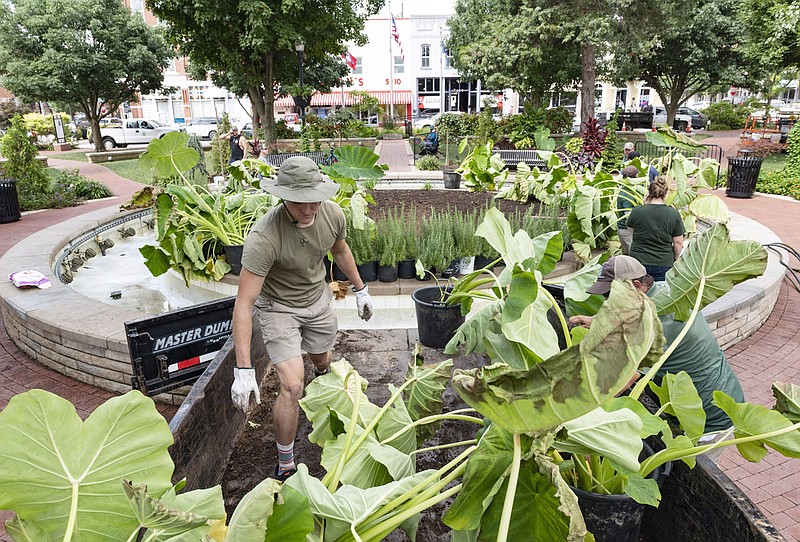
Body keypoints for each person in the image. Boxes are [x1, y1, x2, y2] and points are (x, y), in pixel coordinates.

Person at [230, 156, 374, 481]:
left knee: (322, 359)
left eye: (312, 201)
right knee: (292, 385)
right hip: (279, 308)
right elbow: (244, 302)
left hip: (317, 299)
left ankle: (323, 381)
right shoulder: (264, 238)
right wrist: (242, 370)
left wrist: (361, 290)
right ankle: (285, 463)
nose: (307, 209)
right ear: (283, 197)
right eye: (298, 202)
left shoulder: (333, 214)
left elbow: (339, 251)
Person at [570, 255, 745, 461]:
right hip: (713, 392)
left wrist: (582, 414)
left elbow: (625, 379)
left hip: (711, 416)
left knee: (690, 472)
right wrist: (594, 320)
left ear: (637, 285)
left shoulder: (654, 323)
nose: (607, 301)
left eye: (610, 294)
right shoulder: (663, 292)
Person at [626, 176, 684, 281]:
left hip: (638, 261)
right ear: (665, 194)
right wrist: (676, 259)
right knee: (659, 293)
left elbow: (630, 230)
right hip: (663, 262)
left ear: (649, 193)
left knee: (638, 293)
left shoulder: (637, 211)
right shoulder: (673, 213)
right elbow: (678, 243)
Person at [616, 165, 642, 255]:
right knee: (633, 258)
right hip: (627, 231)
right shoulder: (628, 194)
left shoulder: (625, 189)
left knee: (627, 257)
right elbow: (629, 218)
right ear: (636, 176)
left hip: (624, 230)